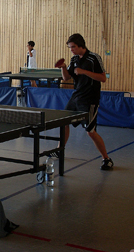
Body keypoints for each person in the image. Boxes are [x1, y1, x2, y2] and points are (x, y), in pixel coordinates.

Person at [51, 33, 114, 170]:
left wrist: (84, 71)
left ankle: (106, 159)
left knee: (90, 131)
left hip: (90, 99)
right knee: (64, 123)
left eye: (73, 47)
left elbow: (103, 78)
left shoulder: (94, 58)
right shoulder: (74, 59)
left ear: (81, 46)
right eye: (69, 47)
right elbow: (67, 78)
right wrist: (63, 67)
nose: (71, 50)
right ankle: (59, 149)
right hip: (76, 97)